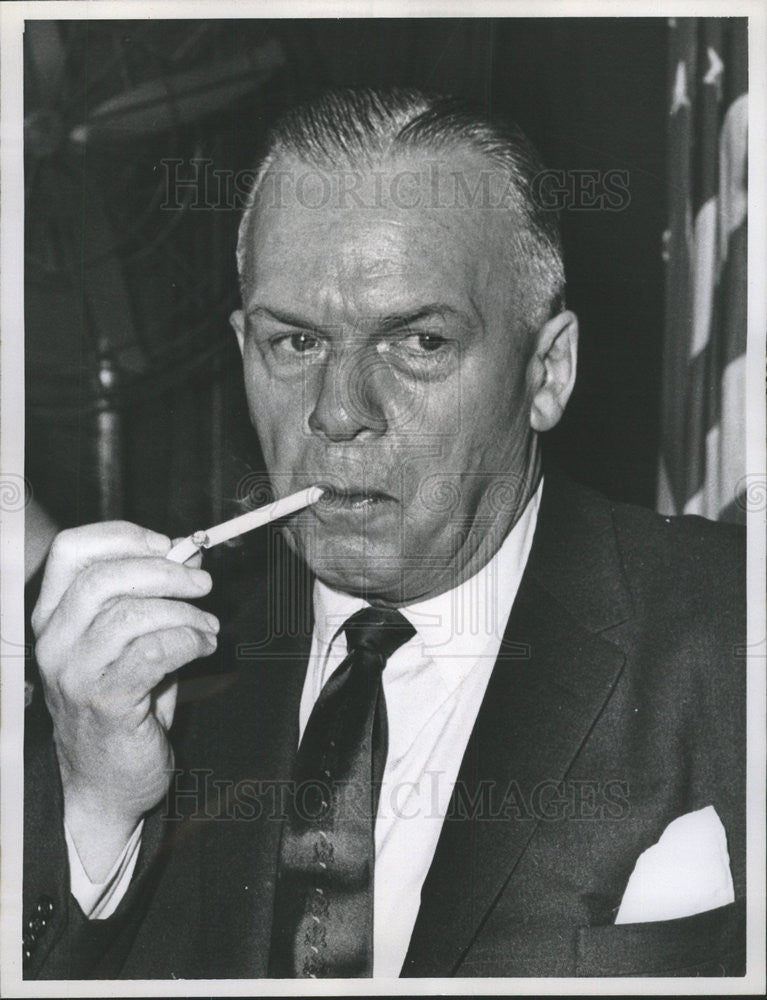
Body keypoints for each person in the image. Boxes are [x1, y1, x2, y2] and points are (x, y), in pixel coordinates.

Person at [23, 87, 745, 979]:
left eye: (418, 343)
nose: (337, 413)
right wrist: (95, 808)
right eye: (295, 344)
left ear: (546, 371)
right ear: (243, 345)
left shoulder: (730, 630)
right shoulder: (134, 675)